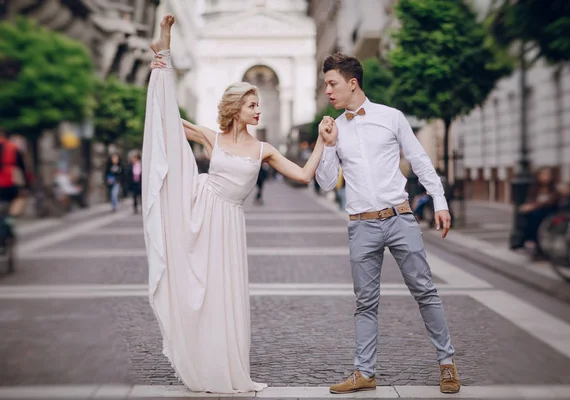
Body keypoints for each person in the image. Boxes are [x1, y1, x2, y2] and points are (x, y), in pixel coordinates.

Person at [144, 15, 325, 394]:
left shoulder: (265, 150)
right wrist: (164, 62)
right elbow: (170, 118)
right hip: (200, 209)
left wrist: (323, 142)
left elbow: (305, 175)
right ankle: (202, 359)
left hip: (229, 222)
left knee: (224, 295)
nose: (258, 110)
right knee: (199, 291)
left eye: (259, 104)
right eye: (252, 104)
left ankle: (225, 367)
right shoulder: (214, 138)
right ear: (236, 109)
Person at [315, 53, 459, 395]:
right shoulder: (335, 128)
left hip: (399, 218)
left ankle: (447, 364)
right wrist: (328, 145)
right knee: (365, 302)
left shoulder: (391, 117)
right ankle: (364, 373)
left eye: (332, 84)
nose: (328, 92)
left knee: (425, 291)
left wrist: (439, 200)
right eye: (325, 86)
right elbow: (323, 182)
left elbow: (420, 160)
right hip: (361, 225)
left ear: (352, 83)